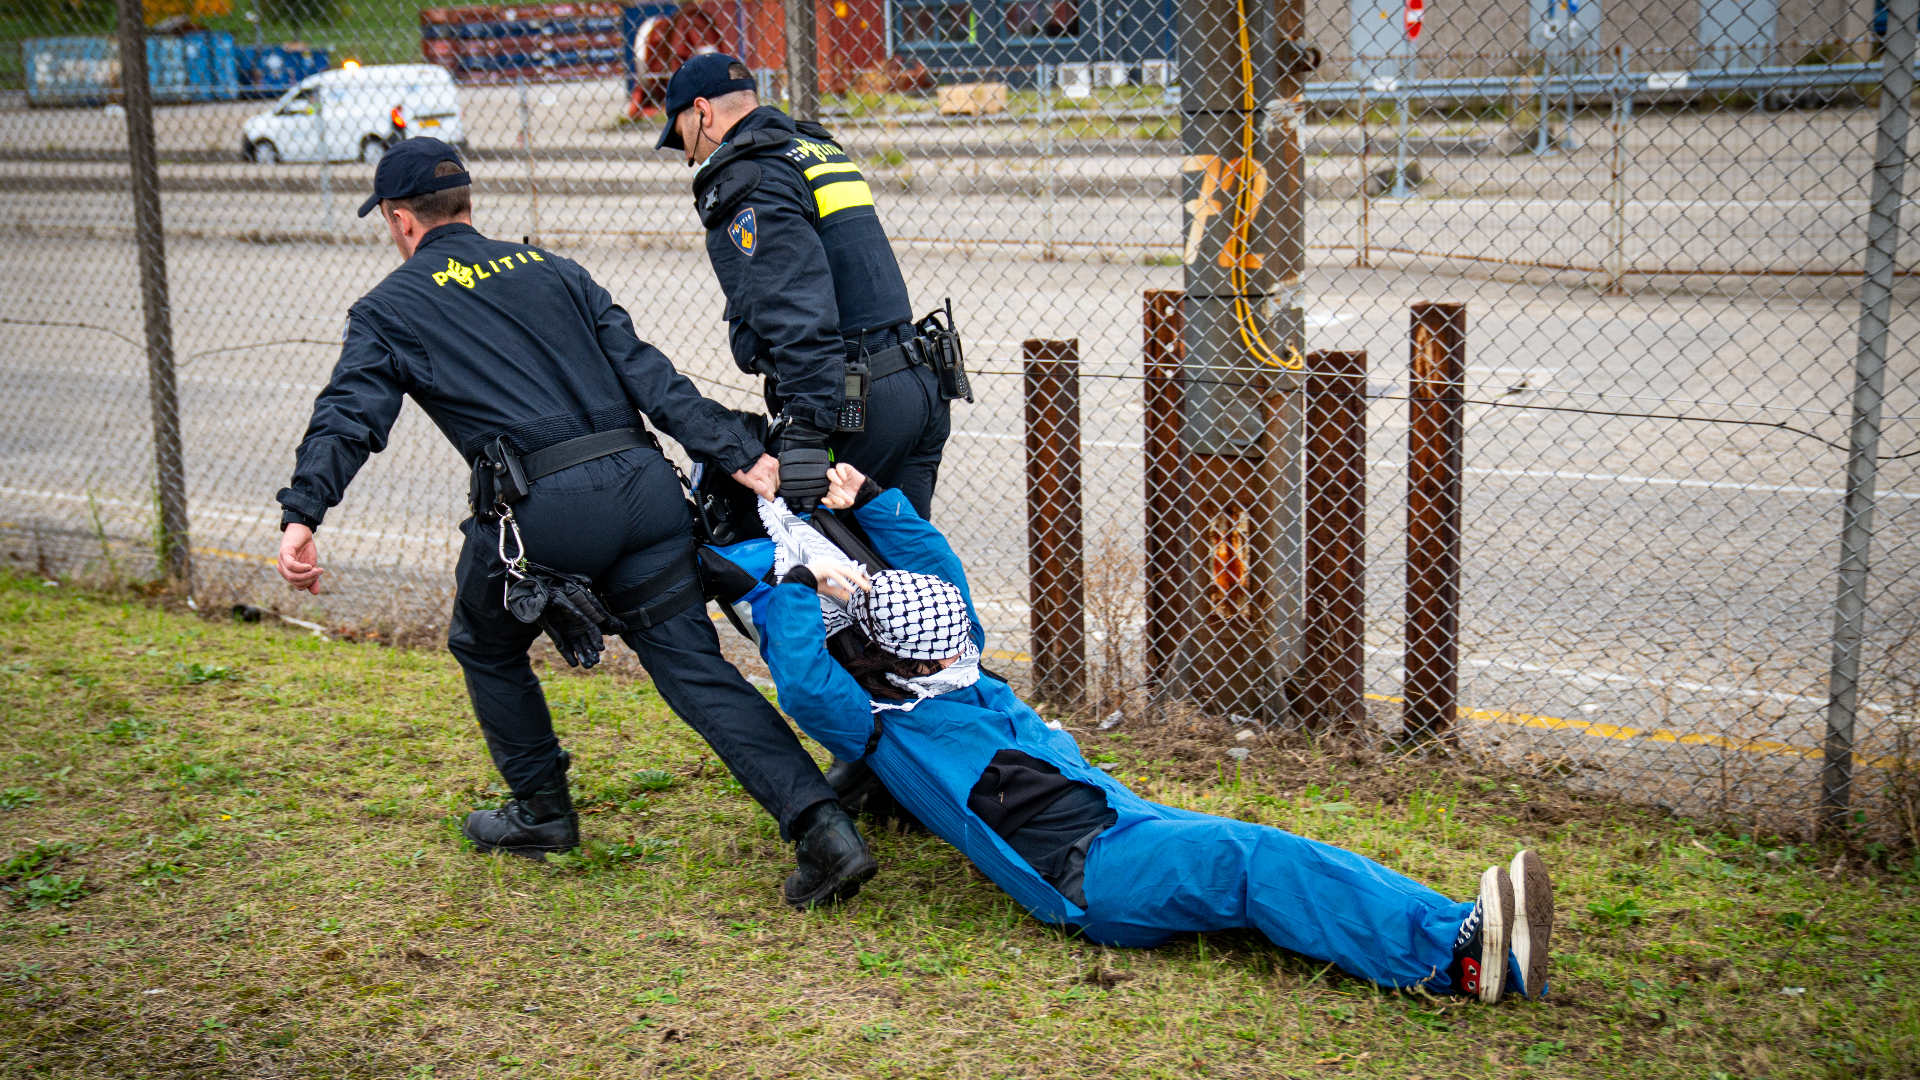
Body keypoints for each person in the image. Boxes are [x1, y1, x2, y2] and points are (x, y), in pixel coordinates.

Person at [272, 137, 877, 910]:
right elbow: (654, 377)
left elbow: (349, 416)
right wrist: (737, 454)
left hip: (543, 517)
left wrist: (303, 513)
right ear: (465, 207)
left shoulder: (391, 307)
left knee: (483, 644)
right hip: (645, 493)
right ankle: (825, 833)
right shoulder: (553, 270)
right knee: (695, 671)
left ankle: (543, 812)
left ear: (400, 221)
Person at [754, 463, 1557, 1000]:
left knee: (1255, 850)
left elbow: (942, 579)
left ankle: (1455, 930)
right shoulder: (889, 723)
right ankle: (1451, 954)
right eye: (937, 634)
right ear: (893, 652)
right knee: (1251, 859)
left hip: (1119, 821)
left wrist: (868, 505)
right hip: (1092, 876)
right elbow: (802, 679)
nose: (957, 634)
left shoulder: (960, 666)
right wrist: (796, 576)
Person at [656, 53, 955, 521]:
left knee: (817, 570)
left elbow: (796, 311)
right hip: (919, 381)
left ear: (702, 112)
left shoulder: (747, 177)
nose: (690, 156)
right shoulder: (815, 149)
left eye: (682, 137)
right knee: (909, 574)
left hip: (853, 401)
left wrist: (806, 432)